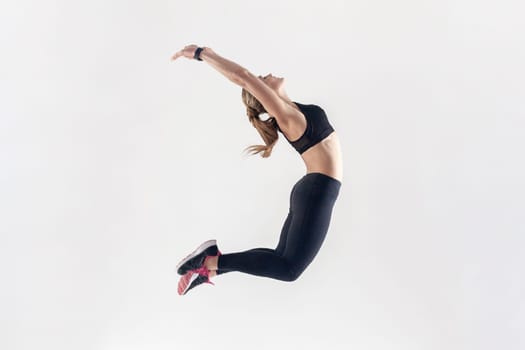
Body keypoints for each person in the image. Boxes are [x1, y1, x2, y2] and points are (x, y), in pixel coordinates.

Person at [171, 45, 343, 295]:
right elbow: (243, 76)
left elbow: (249, 79)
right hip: (318, 190)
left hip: (316, 189)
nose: (263, 76)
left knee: (281, 258)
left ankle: (212, 265)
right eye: (261, 82)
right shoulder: (286, 117)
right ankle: (208, 263)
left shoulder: (294, 110)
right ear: (264, 97)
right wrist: (202, 53)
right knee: (289, 270)